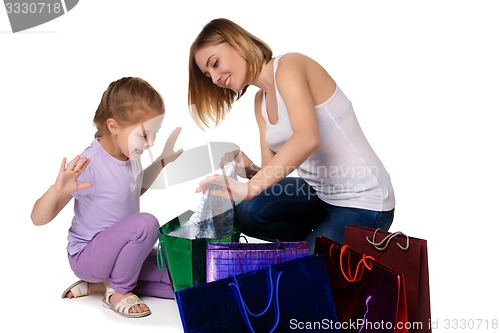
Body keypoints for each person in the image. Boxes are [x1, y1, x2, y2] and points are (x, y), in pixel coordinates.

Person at [188, 18, 395, 253]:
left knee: (301, 275)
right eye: (208, 75)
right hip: (322, 196)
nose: (215, 79)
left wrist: (249, 188)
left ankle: (316, 251)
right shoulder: (260, 102)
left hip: (364, 203)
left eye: (215, 63)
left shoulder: (290, 66)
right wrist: (251, 171)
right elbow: (271, 171)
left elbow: (307, 137)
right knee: (247, 211)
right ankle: (316, 245)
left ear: (237, 42)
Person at [31, 77, 183, 318]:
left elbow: (135, 190)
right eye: (144, 135)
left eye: (155, 134)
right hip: (88, 258)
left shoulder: (130, 154)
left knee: (178, 278)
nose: (151, 142)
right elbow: (38, 218)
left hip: (121, 254)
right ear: (113, 127)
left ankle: (104, 286)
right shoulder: (88, 164)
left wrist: (162, 161)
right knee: (147, 224)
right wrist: (57, 189)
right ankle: (119, 291)